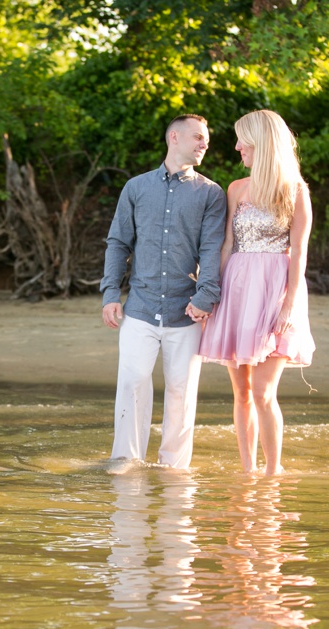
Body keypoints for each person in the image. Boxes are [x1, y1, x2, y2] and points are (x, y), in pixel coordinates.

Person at [100, 114, 227, 470]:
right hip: (139, 307)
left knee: (181, 393)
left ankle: (174, 468)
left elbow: (212, 249)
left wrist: (205, 297)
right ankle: (126, 462)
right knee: (133, 383)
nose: (204, 144)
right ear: (174, 137)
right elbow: (118, 243)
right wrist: (110, 293)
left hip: (187, 311)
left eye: (206, 139)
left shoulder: (211, 194)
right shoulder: (136, 188)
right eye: (198, 137)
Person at [198, 109, 316, 476]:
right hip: (236, 289)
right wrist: (209, 295)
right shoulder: (236, 188)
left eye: (242, 141)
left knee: (264, 392)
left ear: (262, 143)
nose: (236, 147)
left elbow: (299, 253)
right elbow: (226, 244)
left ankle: (272, 472)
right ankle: (247, 472)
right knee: (243, 392)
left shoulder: (295, 190)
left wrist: (288, 306)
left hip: (274, 290)